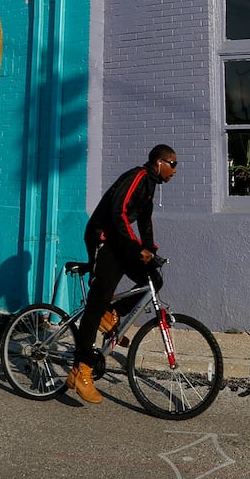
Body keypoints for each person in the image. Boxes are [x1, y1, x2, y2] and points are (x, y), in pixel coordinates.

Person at [68, 144, 178, 405]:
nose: (175, 170)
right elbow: (118, 213)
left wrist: (149, 249)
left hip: (120, 242)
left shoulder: (150, 186)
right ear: (159, 162)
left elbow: (145, 220)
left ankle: (113, 313)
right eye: (173, 164)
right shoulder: (138, 177)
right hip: (104, 239)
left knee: (154, 278)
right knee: (96, 305)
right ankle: (82, 369)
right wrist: (135, 247)